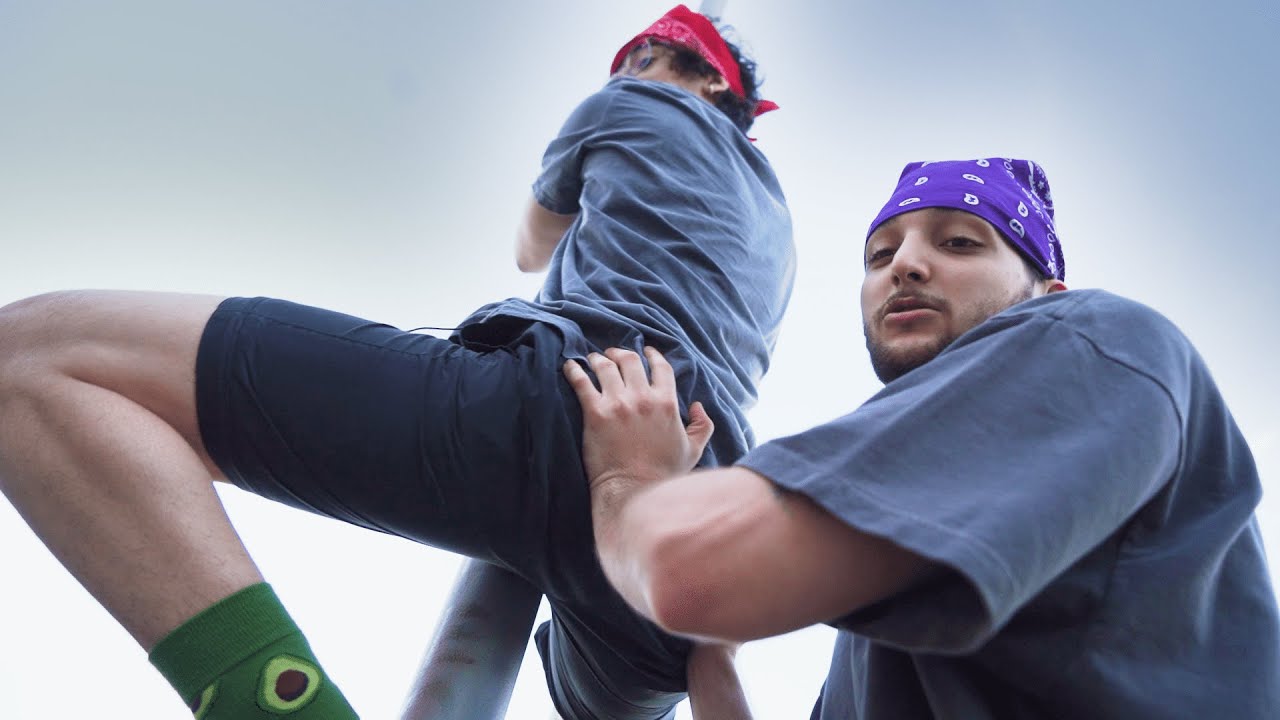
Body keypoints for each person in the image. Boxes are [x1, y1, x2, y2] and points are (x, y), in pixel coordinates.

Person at [0, 5, 794, 719]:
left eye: (640, 56)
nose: (624, 71)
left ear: (686, 70)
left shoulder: (630, 103)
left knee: (34, 355)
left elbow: (531, 244)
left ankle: (278, 705)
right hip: (689, 517)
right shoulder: (779, 226)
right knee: (598, 692)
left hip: (572, 401)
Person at [566, 158, 1280, 719]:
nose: (903, 265)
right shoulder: (896, 580)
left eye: (961, 241)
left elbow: (689, 571)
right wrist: (714, 656)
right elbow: (705, 590)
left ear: (1048, 293)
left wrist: (632, 481)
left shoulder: (1094, 338)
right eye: (879, 255)